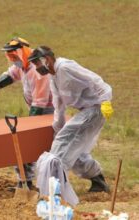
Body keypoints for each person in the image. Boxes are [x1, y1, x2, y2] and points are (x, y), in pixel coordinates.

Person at [28, 46, 114, 206]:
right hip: (86, 110)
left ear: (46, 60)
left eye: (36, 64)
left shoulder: (66, 67)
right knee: (73, 150)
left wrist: (105, 101)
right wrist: (58, 126)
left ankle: (55, 190)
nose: (36, 68)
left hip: (95, 108)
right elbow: (58, 104)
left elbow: (94, 79)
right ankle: (99, 182)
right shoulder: (53, 77)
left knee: (62, 145)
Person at [0, 37, 54, 189]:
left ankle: (96, 177)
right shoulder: (23, 65)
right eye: (9, 56)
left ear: (23, 52)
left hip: (48, 112)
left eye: (13, 55)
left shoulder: (38, 71)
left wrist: (29, 126)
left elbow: (40, 102)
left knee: (54, 146)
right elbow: (11, 75)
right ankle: (25, 182)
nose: (11, 59)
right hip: (37, 108)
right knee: (26, 145)